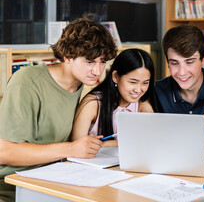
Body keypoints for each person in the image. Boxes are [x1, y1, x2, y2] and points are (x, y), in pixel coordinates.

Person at [0, 17, 117, 201]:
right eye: (89, 62)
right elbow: (5, 152)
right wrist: (70, 149)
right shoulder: (27, 82)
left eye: (102, 62)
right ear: (67, 56)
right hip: (14, 188)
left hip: (54, 180)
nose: (97, 70)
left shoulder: (79, 85)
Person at [71, 48, 156, 147]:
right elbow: (76, 147)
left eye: (145, 83)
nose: (138, 89)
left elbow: (151, 141)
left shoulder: (142, 104)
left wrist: (105, 144)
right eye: (133, 82)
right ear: (116, 77)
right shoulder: (93, 103)